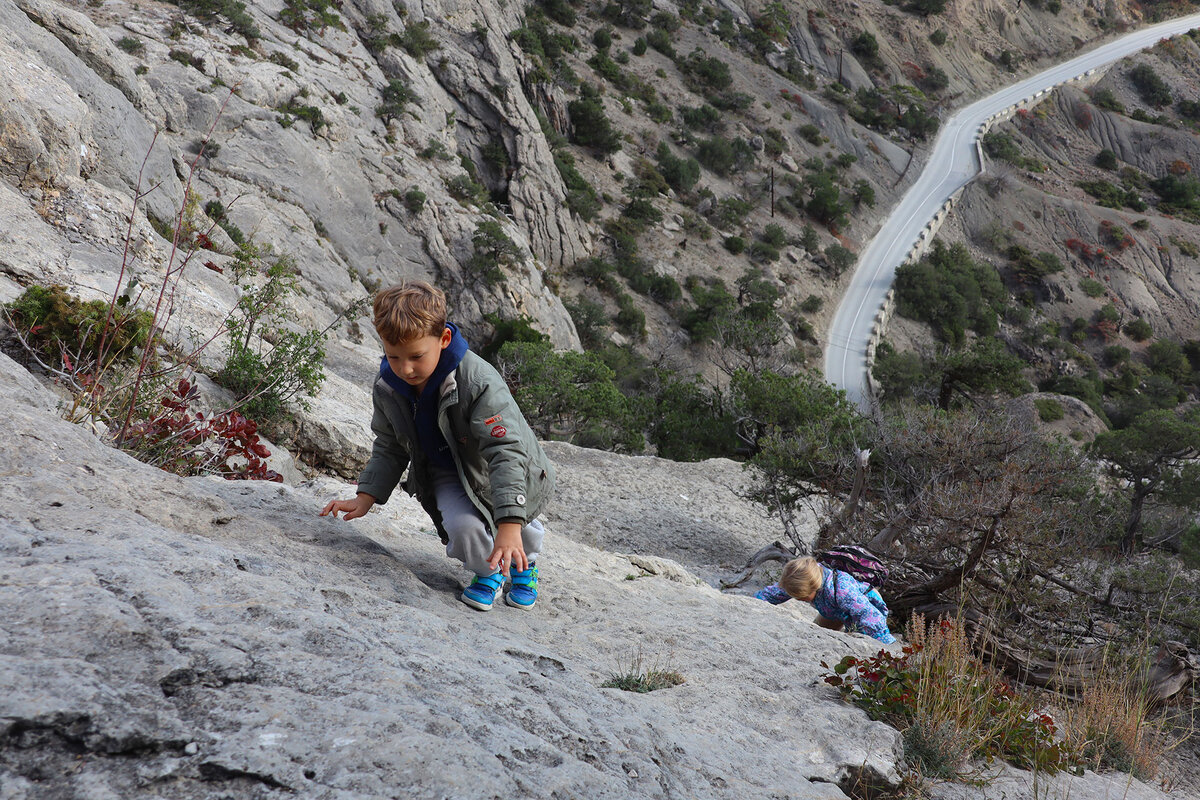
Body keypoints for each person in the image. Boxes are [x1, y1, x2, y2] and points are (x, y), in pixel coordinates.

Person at [320, 281, 555, 612]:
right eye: (393, 356)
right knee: (461, 528)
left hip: (498, 465)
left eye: (417, 356)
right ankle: (488, 572)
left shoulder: (478, 381)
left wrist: (509, 524)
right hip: (443, 468)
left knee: (517, 521)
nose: (405, 368)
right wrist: (366, 495)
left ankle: (524, 565)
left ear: (443, 339)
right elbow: (390, 443)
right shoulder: (388, 386)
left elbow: (505, 453)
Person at [756, 556, 895, 643]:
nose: (799, 600)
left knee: (854, 640)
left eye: (802, 597)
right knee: (814, 636)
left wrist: (884, 643)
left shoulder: (843, 592)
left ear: (814, 587)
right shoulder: (801, 578)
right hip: (830, 609)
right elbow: (772, 594)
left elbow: (871, 617)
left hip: (863, 606)